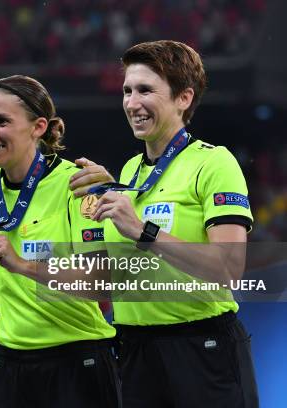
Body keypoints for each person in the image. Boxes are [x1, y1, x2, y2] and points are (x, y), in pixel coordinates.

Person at [73, 40, 259, 407]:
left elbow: (230, 269)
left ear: (183, 98)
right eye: (127, 91)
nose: (131, 102)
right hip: (135, 350)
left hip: (201, 350)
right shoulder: (129, 171)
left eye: (145, 90)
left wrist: (143, 232)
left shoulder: (214, 164)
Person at [0, 75, 120, 408]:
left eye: (1, 121)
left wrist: (22, 265)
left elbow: (100, 282)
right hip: (11, 362)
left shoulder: (77, 185)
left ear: (38, 127)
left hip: (75, 360)